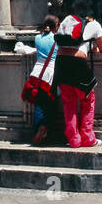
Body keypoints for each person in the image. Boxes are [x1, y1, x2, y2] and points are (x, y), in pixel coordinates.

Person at [57, 10, 102, 149]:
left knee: (68, 103)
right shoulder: (94, 24)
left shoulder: (68, 21)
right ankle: (88, 138)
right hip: (77, 64)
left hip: (60, 63)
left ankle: (74, 140)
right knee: (87, 100)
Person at [29, 14, 60, 146]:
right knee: (51, 103)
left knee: (39, 103)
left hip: (37, 73)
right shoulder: (57, 39)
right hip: (50, 74)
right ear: (56, 26)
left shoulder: (37, 38)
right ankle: (46, 128)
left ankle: (38, 129)